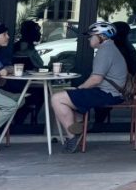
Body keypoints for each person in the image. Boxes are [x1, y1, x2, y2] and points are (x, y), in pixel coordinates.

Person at [50, 21, 130, 153]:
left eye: (91, 35)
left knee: (57, 99)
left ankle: (73, 136)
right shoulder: (110, 48)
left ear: (102, 36)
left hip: (108, 94)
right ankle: (78, 127)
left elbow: (95, 79)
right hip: (111, 92)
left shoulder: (105, 51)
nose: (89, 38)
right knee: (69, 98)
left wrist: (79, 88)